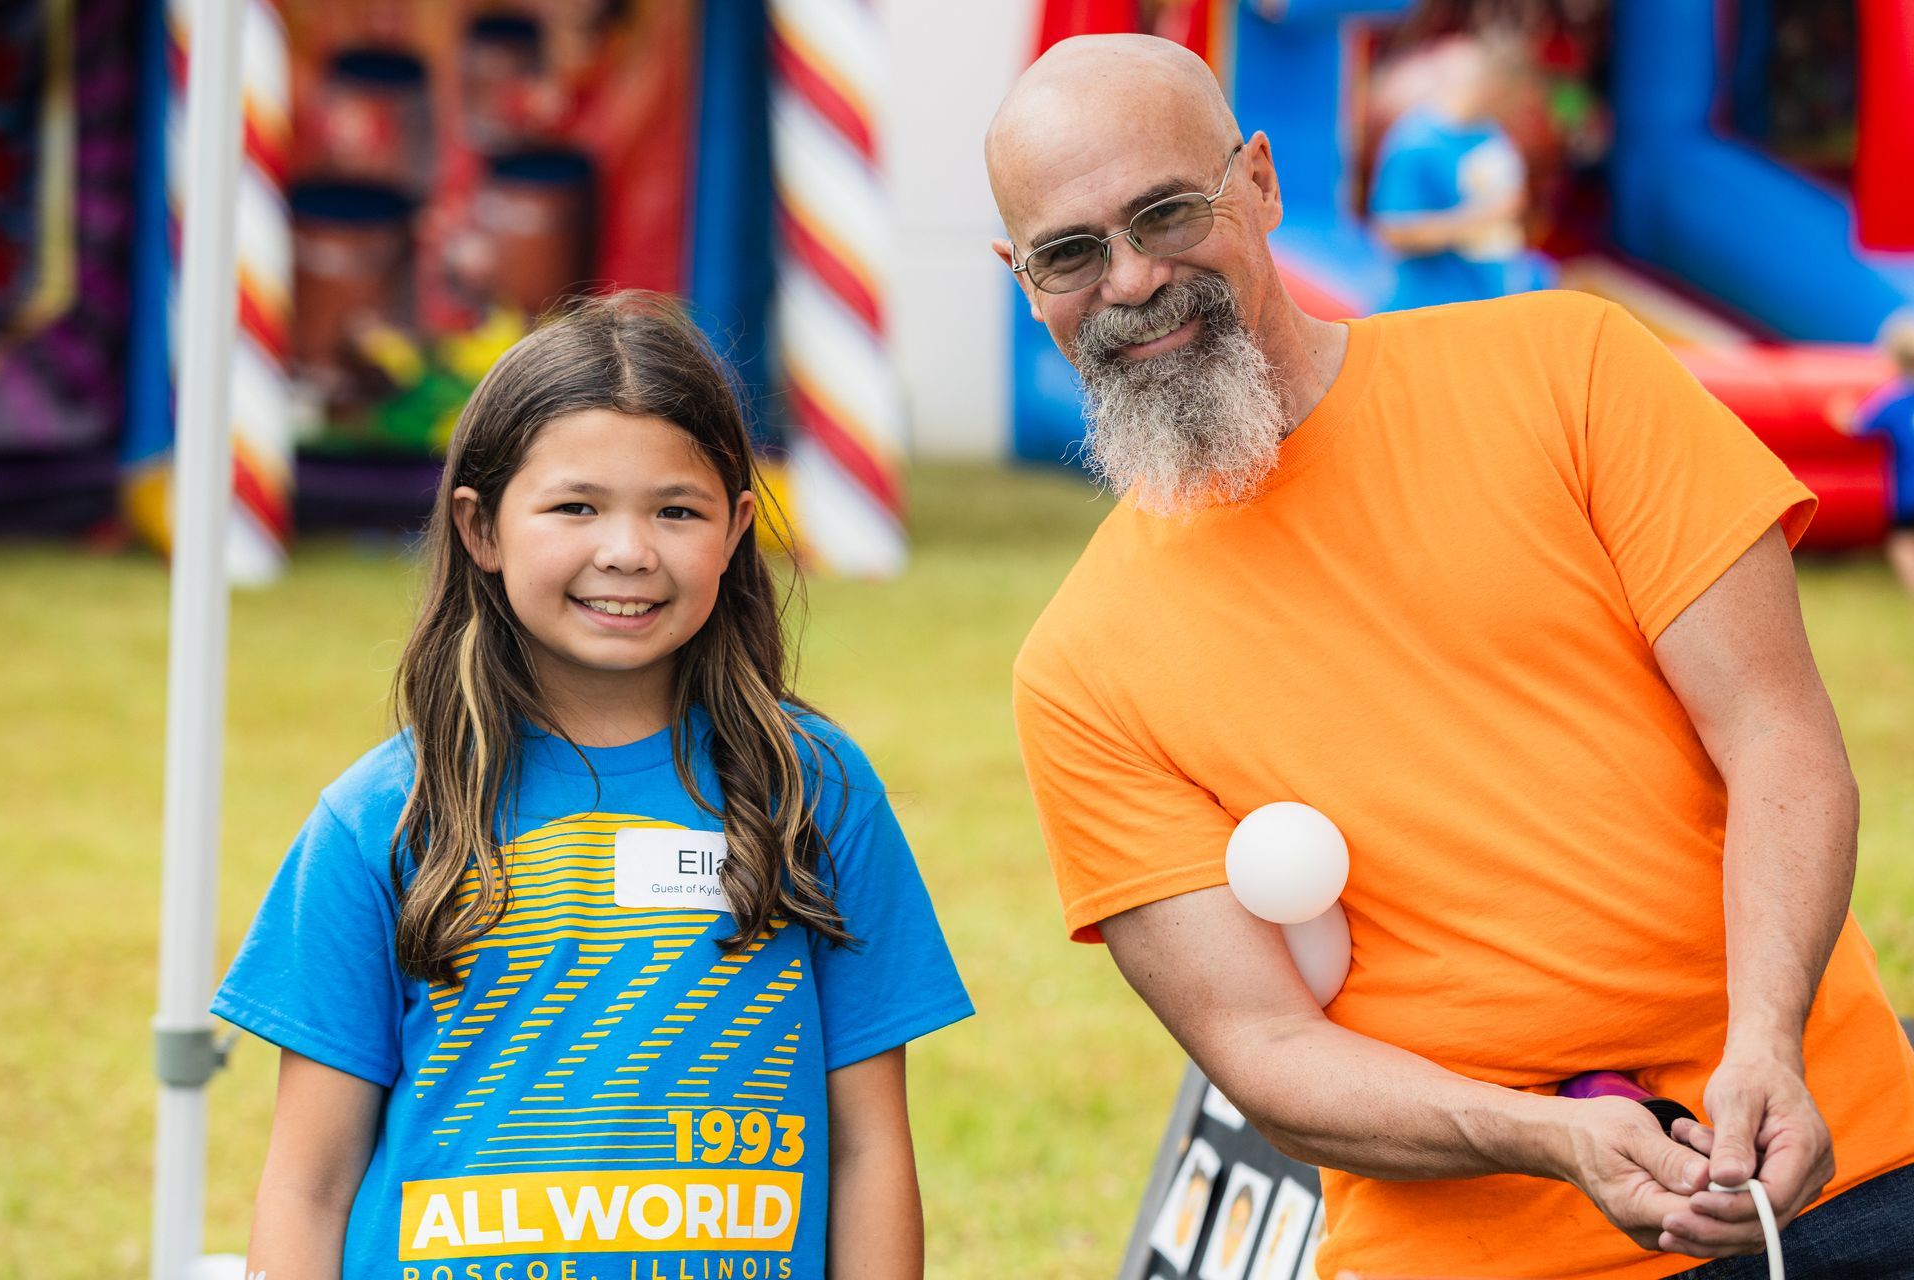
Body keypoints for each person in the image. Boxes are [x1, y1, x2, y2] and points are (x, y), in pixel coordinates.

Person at [989, 34, 1914, 1280]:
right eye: (1070, 252)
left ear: (1259, 182)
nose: (1134, 277)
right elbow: (1263, 1051)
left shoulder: (1571, 368)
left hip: (1836, 1173)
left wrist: (1767, 1046)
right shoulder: (1077, 667)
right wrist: (1547, 1136)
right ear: (1021, 277)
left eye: (1166, 211)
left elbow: (1778, 735)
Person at [214, 292, 972, 1280]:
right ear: (481, 528)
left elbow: (869, 1146)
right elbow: (308, 1181)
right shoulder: (379, 816)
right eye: (576, 505)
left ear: (738, 527)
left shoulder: (815, 791)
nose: (629, 550)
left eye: (677, 509)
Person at [1368, 36, 1551, 311]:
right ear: (1497, 89)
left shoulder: (1490, 131)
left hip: (1489, 297)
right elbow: (1392, 232)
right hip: (1433, 308)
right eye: (1515, 102)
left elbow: (1507, 197)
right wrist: (1473, 220)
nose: (1516, 113)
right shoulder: (1416, 143)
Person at [1848, 312, 1914, 593]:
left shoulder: (1893, 399)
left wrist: (1839, 413)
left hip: (1906, 494)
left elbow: (1859, 426)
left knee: (1902, 541)